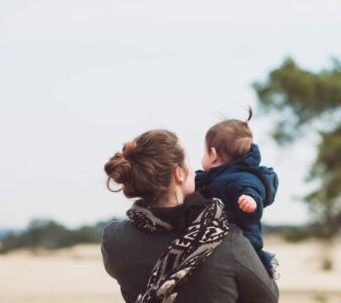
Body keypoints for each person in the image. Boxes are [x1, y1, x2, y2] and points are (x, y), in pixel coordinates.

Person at [101, 129, 278, 303]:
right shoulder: (227, 239)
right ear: (179, 174)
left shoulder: (114, 240)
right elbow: (269, 297)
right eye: (189, 163)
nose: (195, 171)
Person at [195, 108, 279, 277]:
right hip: (219, 242)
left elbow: (252, 190)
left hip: (244, 246)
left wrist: (251, 202)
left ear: (212, 154)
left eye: (204, 152)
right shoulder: (211, 178)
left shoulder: (244, 178)